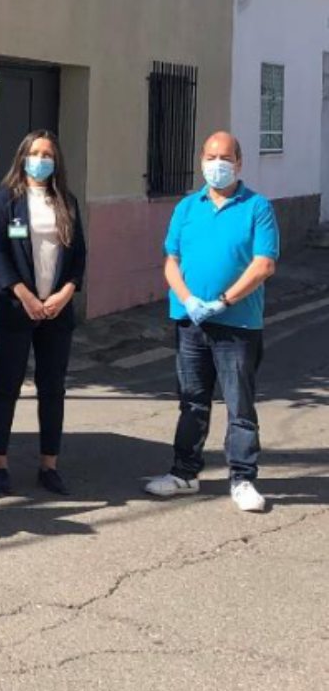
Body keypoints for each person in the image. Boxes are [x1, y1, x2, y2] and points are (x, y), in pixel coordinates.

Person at [145, 132, 279, 512]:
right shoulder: (188, 207)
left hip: (238, 325)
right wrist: (188, 300)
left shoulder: (257, 207)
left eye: (224, 157)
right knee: (192, 402)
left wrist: (223, 301)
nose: (216, 164)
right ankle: (184, 473)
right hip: (191, 323)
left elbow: (264, 263)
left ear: (239, 163)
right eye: (210, 156)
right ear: (201, 159)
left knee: (240, 405)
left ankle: (242, 478)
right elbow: (171, 260)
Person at [0, 130, 87, 496]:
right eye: (35, 153)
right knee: (6, 386)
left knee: (52, 388)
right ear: (23, 157)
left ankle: (49, 464)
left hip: (56, 311)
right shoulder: (7, 200)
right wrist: (23, 294)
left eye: (48, 154)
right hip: (16, 309)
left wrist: (65, 292)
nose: (41, 160)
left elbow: (78, 257)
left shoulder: (66, 201)